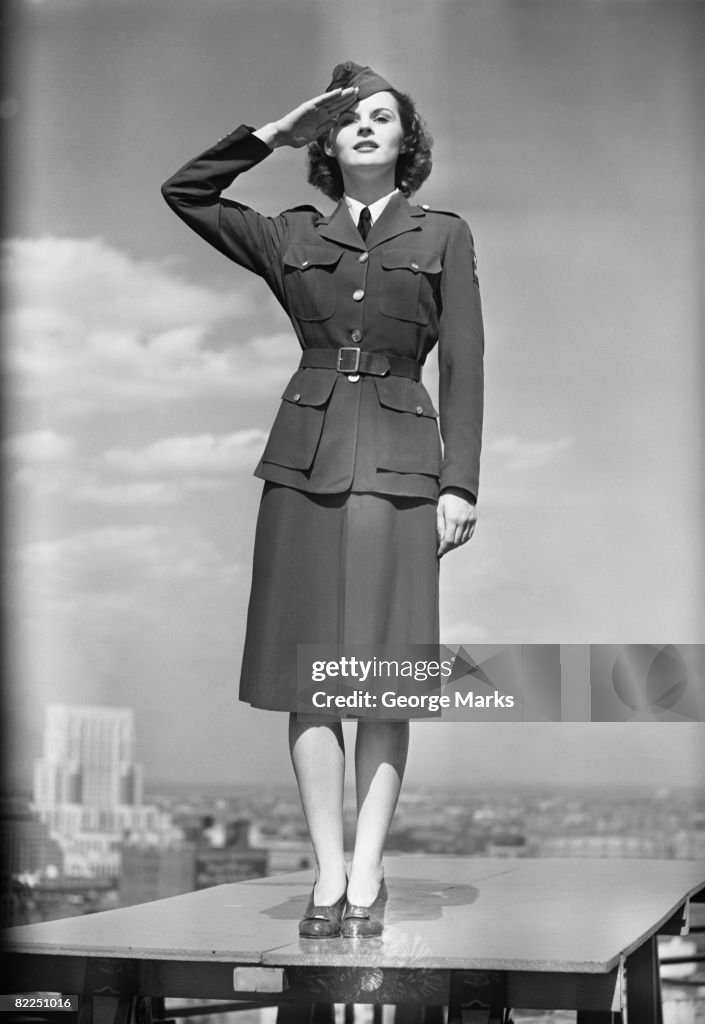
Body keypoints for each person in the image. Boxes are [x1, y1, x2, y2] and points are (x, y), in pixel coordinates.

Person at [161, 61, 484, 939]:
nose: (367, 127)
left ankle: (370, 875)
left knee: (380, 681)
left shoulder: (444, 235)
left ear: (405, 143)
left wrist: (460, 483)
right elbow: (186, 191)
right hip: (302, 468)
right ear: (327, 141)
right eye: (349, 119)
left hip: (402, 465)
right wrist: (276, 128)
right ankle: (328, 874)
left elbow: (463, 364)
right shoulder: (287, 233)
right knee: (309, 680)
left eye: (383, 117)